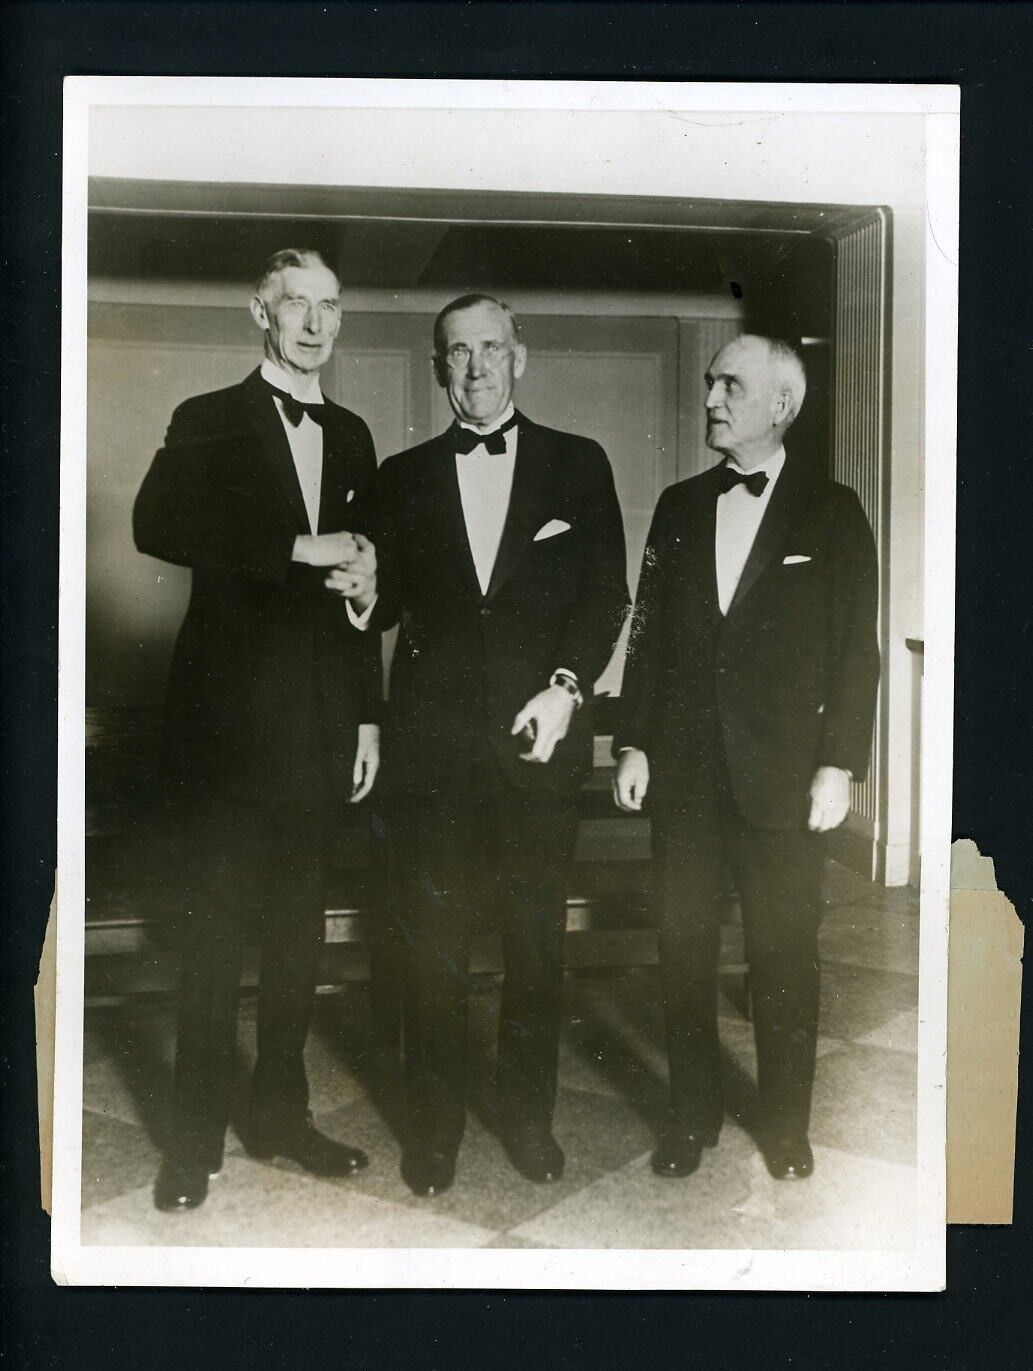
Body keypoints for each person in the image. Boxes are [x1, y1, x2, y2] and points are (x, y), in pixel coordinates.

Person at [336, 294, 629, 1196]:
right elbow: (381, 607)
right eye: (456, 353)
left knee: (536, 948)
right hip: (432, 758)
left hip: (537, 749)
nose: (475, 368)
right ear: (438, 368)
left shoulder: (579, 465)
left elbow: (603, 595)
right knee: (433, 953)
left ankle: (529, 1123)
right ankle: (432, 1132)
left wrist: (567, 687)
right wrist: (357, 592)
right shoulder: (401, 474)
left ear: (520, 357)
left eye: (490, 349)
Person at [134, 249, 381, 1211]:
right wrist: (295, 546)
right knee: (212, 938)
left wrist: (367, 711)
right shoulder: (209, 417)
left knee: (297, 938)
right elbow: (155, 522)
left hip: (323, 728)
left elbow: (365, 577)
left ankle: (281, 1114)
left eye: (329, 306)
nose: (314, 324)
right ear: (260, 312)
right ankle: (191, 1142)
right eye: (296, 306)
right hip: (226, 735)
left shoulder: (355, 435)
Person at [614, 334, 879, 1182]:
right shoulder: (678, 505)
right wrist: (632, 739)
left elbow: (854, 653)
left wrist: (839, 763)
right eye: (708, 383)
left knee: (782, 955)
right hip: (685, 777)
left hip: (783, 781)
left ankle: (786, 1125)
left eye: (732, 384)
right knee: (681, 949)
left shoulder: (832, 511)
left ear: (781, 404)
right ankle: (689, 1117)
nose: (713, 398)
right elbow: (647, 636)